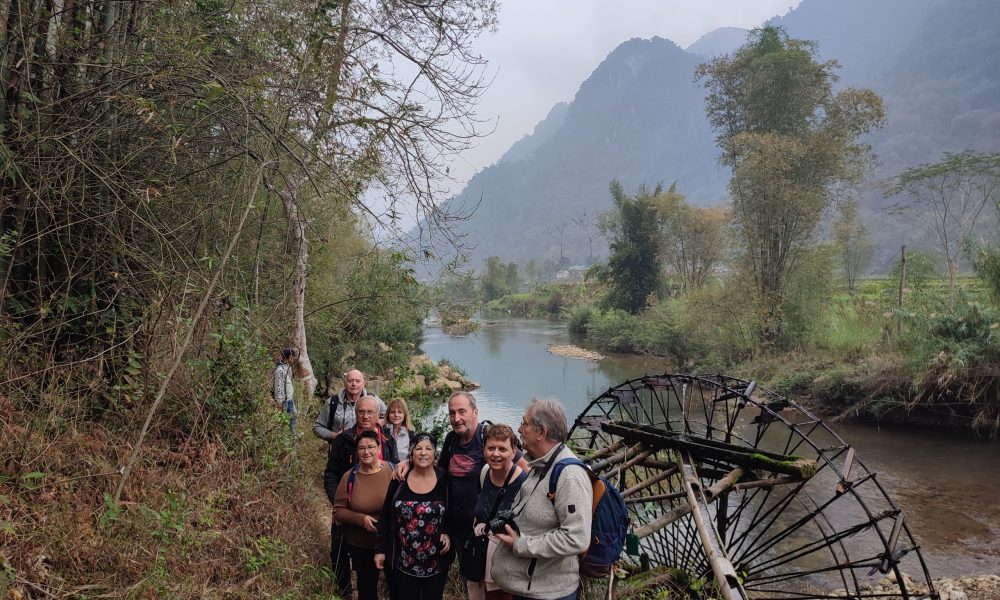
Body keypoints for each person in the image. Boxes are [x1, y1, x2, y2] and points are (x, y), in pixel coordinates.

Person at [395, 391, 528, 600]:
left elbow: (524, 472)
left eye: (462, 412)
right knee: (472, 581)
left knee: (494, 586)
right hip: (455, 528)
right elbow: (438, 470)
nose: (456, 419)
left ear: (475, 412)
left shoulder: (488, 437)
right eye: (452, 413)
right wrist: (408, 462)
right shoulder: (451, 440)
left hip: (485, 531)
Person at [491, 398, 593, 600]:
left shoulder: (569, 476)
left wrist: (521, 544)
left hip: (549, 594)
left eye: (525, 423)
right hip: (529, 589)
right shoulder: (541, 466)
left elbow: (577, 538)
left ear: (542, 432)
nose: (520, 429)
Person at [324, 395, 399, 598]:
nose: (365, 416)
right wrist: (342, 501)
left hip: (387, 532)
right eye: (361, 412)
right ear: (355, 413)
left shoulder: (386, 438)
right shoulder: (344, 439)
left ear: (378, 414)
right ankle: (344, 591)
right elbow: (330, 473)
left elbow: (398, 468)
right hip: (350, 506)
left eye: (370, 412)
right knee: (341, 554)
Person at [375, 433, 453, 600]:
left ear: (435, 454)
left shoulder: (444, 480)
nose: (423, 453)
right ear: (411, 453)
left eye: (428, 448)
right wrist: (380, 550)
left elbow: (453, 513)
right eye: (418, 448)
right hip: (402, 561)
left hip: (435, 564)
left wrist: (447, 533)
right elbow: (386, 516)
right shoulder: (399, 480)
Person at [332, 429, 394, 600]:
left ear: (378, 448)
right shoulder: (350, 477)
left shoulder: (392, 471)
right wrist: (361, 519)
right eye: (361, 448)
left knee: (397, 587)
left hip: (390, 542)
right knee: (366, 589)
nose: (366, 452)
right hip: (361, 544)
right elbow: (338, 511)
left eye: (371, 447)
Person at [469, 424, 528, 600]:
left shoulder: (523, 483)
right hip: (483, 550)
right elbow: (481, 508)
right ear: (484, 449)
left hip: (510, 558)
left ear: (513, 452)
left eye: (502, 449)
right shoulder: (485, 473)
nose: (495, 454)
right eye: (491, 448)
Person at [313, 369, 387, 443]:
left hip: (367, 450)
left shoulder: (373, 399)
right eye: (350, 381)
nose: (354, 384)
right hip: (340, 450)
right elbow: (317, 428)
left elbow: (390, 417)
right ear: (344, 383)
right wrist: (335, 436)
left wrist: (379, 424)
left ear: (363, 383)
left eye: (358, 381)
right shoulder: (333, 402)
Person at [272, 347, 297, 434]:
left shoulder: (288, 368)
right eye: (293, 357)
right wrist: (279, 401)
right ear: (289, 357)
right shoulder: (280, 370)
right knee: (282, 420)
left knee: (294, 416)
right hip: (283, 400)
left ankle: (291, 434)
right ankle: (280, 437)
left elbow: (288, 381)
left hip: (290, 398)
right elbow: (278, 386)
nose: (294, 359)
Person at [387, 397, 415, 462]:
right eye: (393, 412)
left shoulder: (410, 433)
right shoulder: (383, 431)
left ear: (404, 414)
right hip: (386, 469)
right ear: (388, 414)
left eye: (399, 412)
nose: (396, 415)